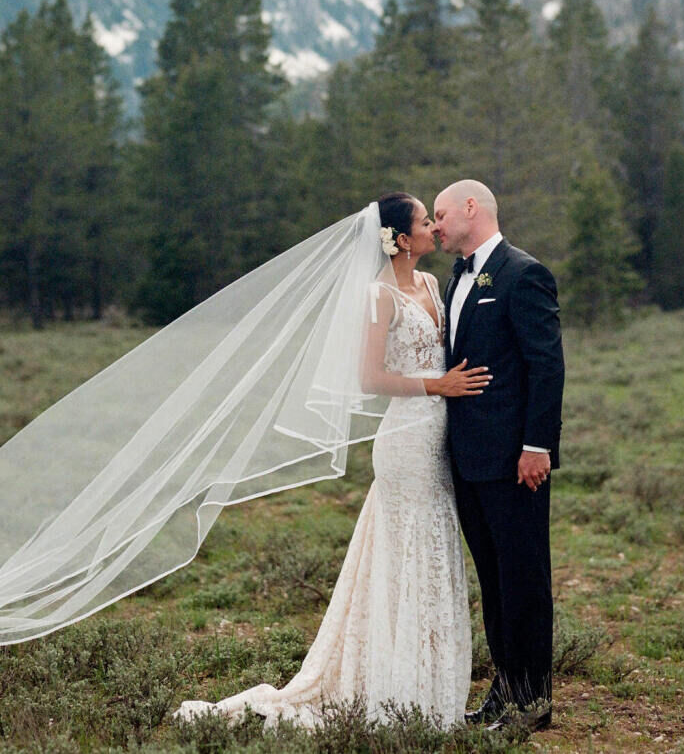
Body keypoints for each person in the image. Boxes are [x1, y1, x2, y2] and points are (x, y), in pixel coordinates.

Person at [175, 193, 489, 728]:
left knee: (435, 544)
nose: (434, 228)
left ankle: (431, 683)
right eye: (422, 222)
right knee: (405, 549)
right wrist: (439, 385)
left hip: (443, 437)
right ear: (399, 237)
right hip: (407, 438)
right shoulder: (379, 294)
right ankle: (394, 689)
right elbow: (370, 379)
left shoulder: (435, 285)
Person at [432, 179, 565, 733]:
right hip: (468, 461)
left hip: (516, 461)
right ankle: (505, 690)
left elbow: (546, 365)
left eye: (439, 214)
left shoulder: (523, 273)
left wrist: (537, 447)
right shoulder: (453, 278)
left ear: (471, 208)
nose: (434, 225)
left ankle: (534, 703)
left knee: (524, 580)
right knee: (493, 581)